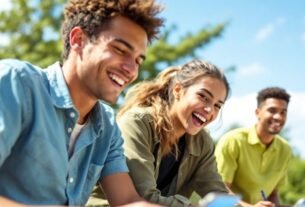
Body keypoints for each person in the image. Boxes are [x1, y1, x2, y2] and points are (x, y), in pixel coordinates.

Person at [0, 0, 164, 206]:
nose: (131, 70)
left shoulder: (107, 127)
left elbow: (127, 201)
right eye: (120, 50)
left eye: (138, 60)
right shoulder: (16, 81)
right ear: (79, 39)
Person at [88, 59, 230, 207]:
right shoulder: (137, 123)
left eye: (217, 106)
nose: (209, 110)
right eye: (203, 97)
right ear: (178, 90)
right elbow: (143, 198)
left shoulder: (202, 142)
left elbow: (218, 195)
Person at [215, 87, 292, 207]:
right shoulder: (233, 141)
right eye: (272, 110)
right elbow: (219, 189)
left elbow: (273, 193)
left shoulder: (285, 149)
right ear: (258, 113)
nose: (278, 117)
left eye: (283, 112)